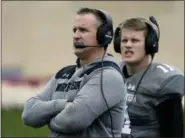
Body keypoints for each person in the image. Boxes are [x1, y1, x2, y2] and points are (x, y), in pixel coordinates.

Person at [22, 8, 127, 138]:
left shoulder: (108, 76)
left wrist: (47, 118)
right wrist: (64, 105)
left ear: (103, 36)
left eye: (83, 30)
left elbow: (72, 121)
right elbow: (28, 114)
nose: (76, 36)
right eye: (74, 30)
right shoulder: (63, 73)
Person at [113, 16, 184, 138]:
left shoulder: (164, 80)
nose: (128, 45)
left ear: (150, 45)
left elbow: (173, 132)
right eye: (124, 40)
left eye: (135, 40)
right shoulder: (111, 72)